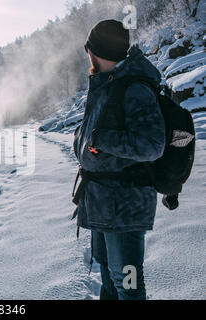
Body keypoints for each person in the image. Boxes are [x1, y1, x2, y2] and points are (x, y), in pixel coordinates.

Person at [72, 20, 166, 300]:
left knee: (128, 285)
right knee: (110, 281)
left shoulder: (133, 88)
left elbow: (152, 145)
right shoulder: (107, 84)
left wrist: (101, 140)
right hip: (103, 201)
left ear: (94, 51)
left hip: (125, 206)